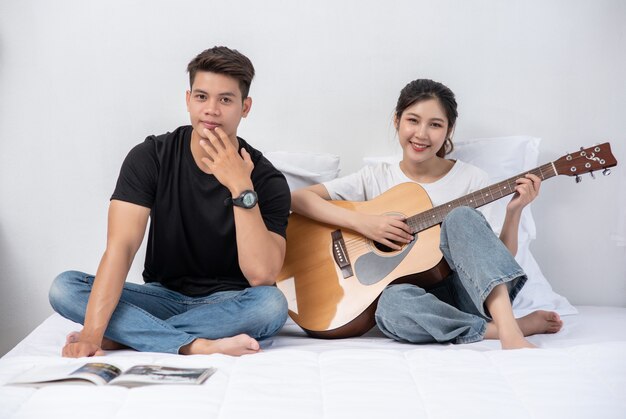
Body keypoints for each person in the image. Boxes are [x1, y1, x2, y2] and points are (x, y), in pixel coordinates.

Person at [49, 46, 291, 357]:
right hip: (159, 296)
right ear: (188, 99)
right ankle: (194, 344)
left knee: (271, 306)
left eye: (226, 100)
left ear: (245, 107)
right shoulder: (150, 157)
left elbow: (262, 275)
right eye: (202, 97)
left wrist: (241, 186)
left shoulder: (267, 180)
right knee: (65, 287)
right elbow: (120, 248)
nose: (211, 110)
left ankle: (131, 335)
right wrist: (93, 337)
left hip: (231, 303)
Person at [291, 79, 563, 349]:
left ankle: (509, 331)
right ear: (397, 121)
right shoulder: (376, 178)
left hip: (469, 293)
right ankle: (504, 328)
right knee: (389, 306)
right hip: (418, 303)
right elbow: (300, 199)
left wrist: (514, 212)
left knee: (460, 217)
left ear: (449, 130)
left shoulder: (472, 179)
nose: (422, 134)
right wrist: (365, 224)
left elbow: (498, 257)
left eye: (435, 124)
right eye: (413, 120)